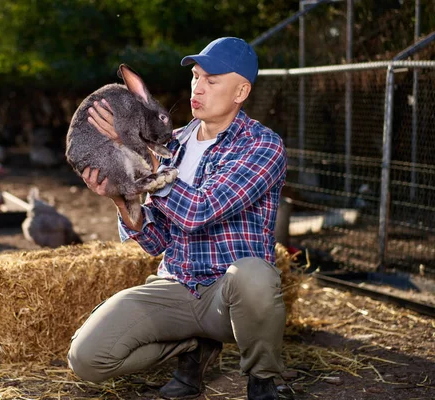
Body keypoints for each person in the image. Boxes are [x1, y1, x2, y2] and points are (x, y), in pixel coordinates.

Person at [67, 37, 288, 400]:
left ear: (241, 91)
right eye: (195, 78)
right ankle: (192, 350)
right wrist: (121, 197)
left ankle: (262, 380)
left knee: (256, 276)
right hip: (176, 287)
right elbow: (156, 242)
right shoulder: (174, 143)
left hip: (228, 298)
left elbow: (200, 210)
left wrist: (144, 161)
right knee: (88, 358)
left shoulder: (262, 145)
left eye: (211, 81)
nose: (197, 88)